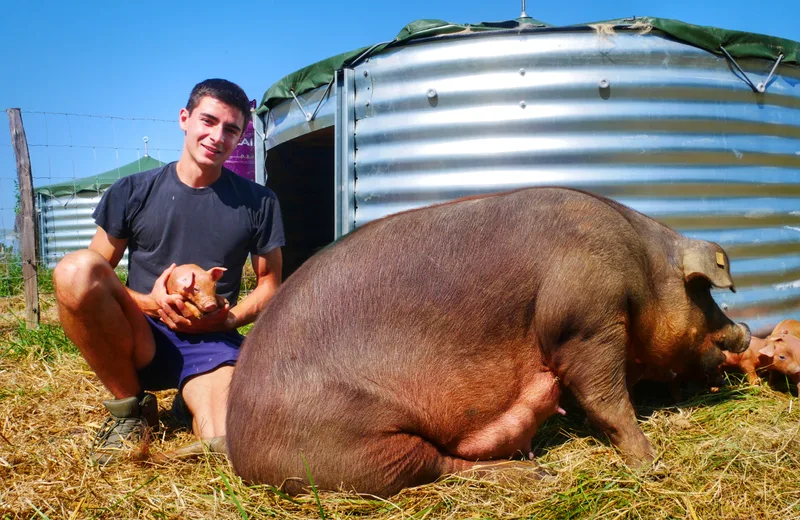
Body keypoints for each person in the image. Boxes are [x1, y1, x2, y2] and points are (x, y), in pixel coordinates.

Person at [53, 79, 285, 464]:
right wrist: (151, 303)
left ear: (241, 136)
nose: (217, 136)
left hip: (209, 340)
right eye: (208, 121)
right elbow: (95, 274)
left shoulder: (259, 202)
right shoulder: (133, 190)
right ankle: (130, 411)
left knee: (229, 439)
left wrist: (227, 320)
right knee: (74, 269)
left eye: (231, 129)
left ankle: (191, 403)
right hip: (140, 333)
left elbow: (269, 285)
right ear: (184, 118)